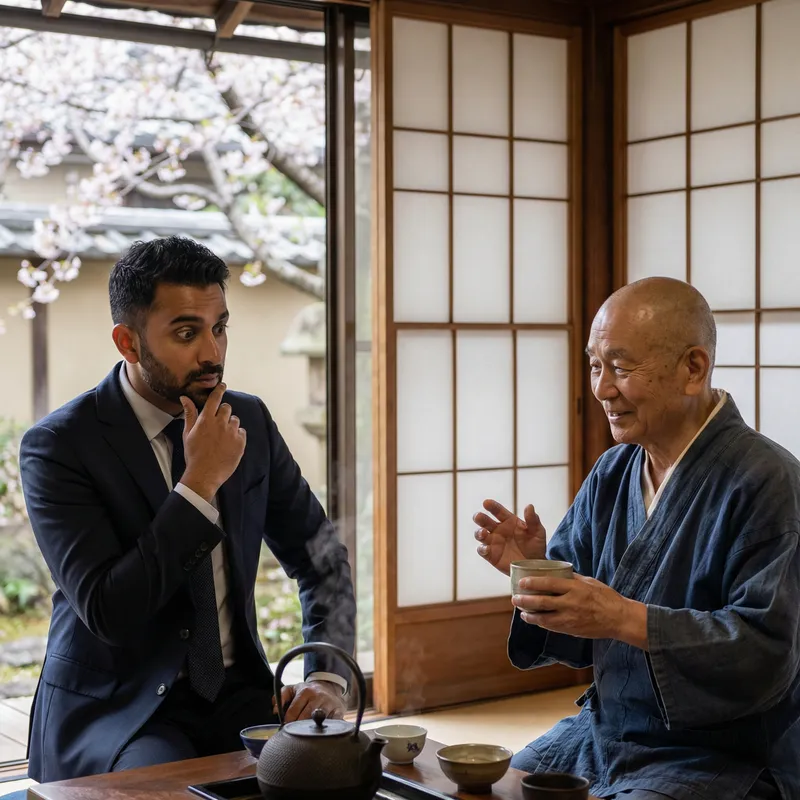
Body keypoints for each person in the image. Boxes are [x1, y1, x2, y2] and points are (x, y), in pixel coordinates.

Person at [19, 237, 356, 782]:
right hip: (119, 707)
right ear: (127, 342)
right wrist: (199, 485)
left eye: (220, 327)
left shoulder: (248, 422)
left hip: (237, 694)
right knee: (170, 788)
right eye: (186, 333)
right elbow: (109, 611)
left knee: (337, 771)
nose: (213, 353)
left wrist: (327, 676)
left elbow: (322, 559)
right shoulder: (59, 446)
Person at [474, 278, 799, 800]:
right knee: (492, 792)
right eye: (595, 365)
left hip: (719, 755)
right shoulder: (614, 470)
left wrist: (623, 616)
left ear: (693, 368)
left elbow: (765, 654)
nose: (602, 389)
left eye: (621, 368)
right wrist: (534, 571)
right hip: (604, 736)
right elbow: (580, 627)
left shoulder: (768, 481)